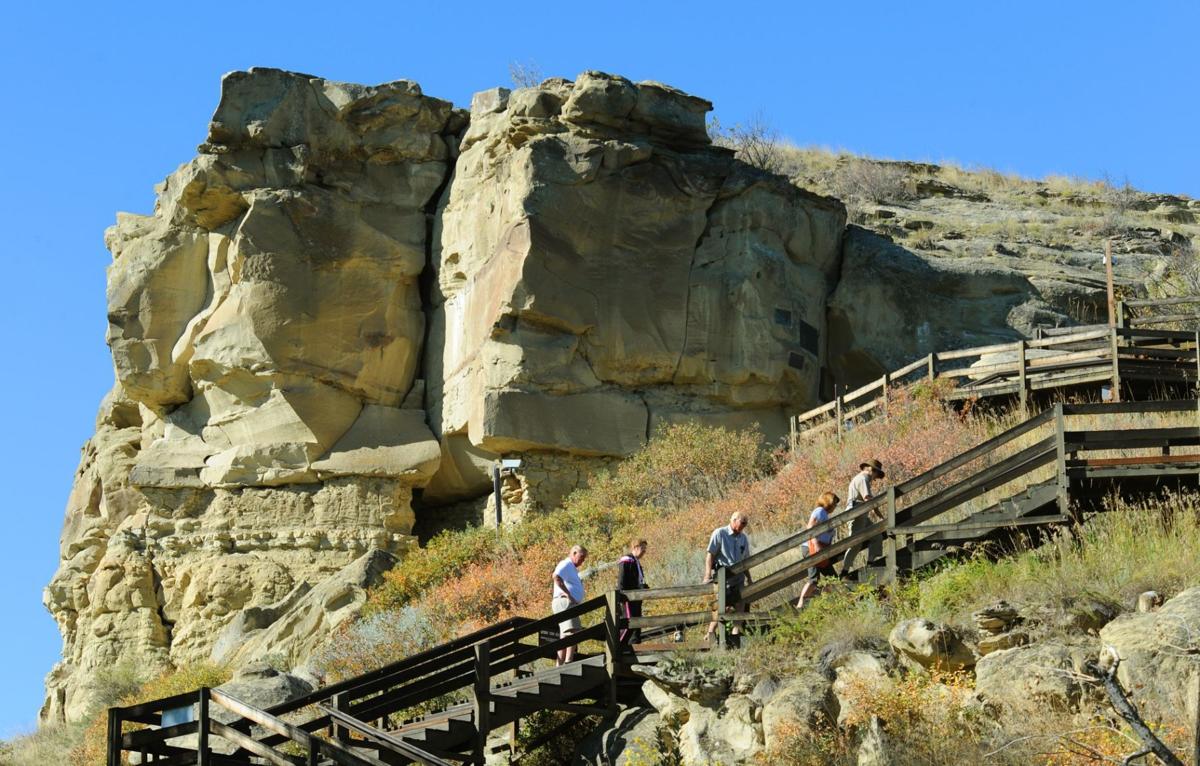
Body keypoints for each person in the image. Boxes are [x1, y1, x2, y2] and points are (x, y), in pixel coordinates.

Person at [703, 512, 752, 643]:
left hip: (739, 578)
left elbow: (745, 560)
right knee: (721, 607)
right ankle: (710, 634)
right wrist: (707, 575)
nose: (744, 526)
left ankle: (736, 634)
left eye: (745, 524)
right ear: (734, 520)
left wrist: (749, 578)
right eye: (742, 523)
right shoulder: (720, 533)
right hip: (723, 577)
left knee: (740, 604)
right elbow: (710, 555)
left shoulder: (743, 538)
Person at [839, 459, 886, 576]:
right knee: (856, 543)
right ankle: (844, 572)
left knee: (876, 536)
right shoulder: (863, 479)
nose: (875, 478)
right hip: (856, 514)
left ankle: (870, 563)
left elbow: (869, 501)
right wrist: (880, 515)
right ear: (871, 470)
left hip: (862, 514)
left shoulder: (862, 479)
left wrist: (880, 515)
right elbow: (868, 499)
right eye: (876, 474)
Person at [795, 492, 839, 609]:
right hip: (812, 548)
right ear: (829, 502)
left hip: (821, 549)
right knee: (814, 579)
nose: (835, 506)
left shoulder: (824, 514)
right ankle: (800, 606)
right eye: (835, 503)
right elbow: (810, 528)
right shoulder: (820, 511)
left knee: (833, 578)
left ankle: (825, 603)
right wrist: (816, 545)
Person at [552, 544, 588, 665]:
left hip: (566, 603)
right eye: (581, 557)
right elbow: (556, 576)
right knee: (573, 631)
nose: (582, 561)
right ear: (574, 553)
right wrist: (568, 595)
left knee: (565, 634)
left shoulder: (571, 568)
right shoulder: (566, 564)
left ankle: (559, 664)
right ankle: (568, 662)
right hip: (565, 603)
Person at [616, 539, 649, 646]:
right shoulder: (627, 561)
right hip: (628, 599)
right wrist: (621, 597)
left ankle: (634, 647)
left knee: (636, 624)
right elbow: (621, 581)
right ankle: (620, 647)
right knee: (629, 623)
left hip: (636, 599)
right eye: (643, 549)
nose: (644, 552)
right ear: (635, 547)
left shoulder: (636, 562)